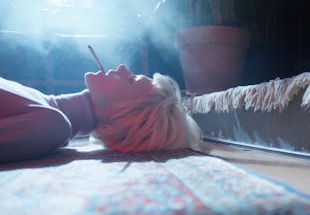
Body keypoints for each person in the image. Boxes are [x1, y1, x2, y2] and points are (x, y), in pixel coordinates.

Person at [0, 64, 202, 162]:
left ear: (123, 117)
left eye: (131, 79)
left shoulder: (51, 126)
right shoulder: (46, 111)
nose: (123, 67)